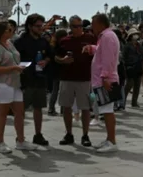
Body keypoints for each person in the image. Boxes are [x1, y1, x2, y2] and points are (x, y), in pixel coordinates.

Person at [0, 21, 37, 154]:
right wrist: (14, 67)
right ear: (2, 32)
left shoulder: (9, 44)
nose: (12, 32)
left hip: (15, 82)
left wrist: (18, 67)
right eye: (9, 30)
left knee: (19, 112)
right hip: (2, 83)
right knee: (3, 113)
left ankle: (21, 140)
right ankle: (0, 142)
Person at [54, 16, 96, 147]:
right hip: (67, 77)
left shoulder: (90, 38)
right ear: (70, 27)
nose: (78, 29)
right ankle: (69, 133)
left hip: (84, 78)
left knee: (85, 107)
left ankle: (85, 135)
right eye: (75, 26)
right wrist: (62, 60)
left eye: (80, 26)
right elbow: (56, 56)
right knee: (66, 107)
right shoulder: (64, 41)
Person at [83, 14, 120, 152]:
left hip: (105, 80)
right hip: (103, 79)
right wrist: (92, 48)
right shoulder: (106, 37)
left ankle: (112, 141)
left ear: (100, 24)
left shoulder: (107, 37)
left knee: (107, 111)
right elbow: (102, 52)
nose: (92, 26)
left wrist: (105, 77)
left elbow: (108, 58)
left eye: (93, 23)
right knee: (106, 110)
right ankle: (109, 139)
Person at [14, 14, 52, 146]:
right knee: (21, 109)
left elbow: (50, 55)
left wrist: (45, 61)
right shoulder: (21, 41)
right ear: (30, 26)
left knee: (38, 108)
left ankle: (38, 134)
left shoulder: (43, 41)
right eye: (38, 26)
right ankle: (20, 136)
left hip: (40, 78)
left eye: (42, 25)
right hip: (26, 79)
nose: (41, 28)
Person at [122, 28, 143, 108]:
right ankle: (122, 101)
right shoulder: (127, 46)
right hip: (130, 67)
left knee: (137, 85)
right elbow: (123, 57)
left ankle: (134, 102)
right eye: (134, 34)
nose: (136, 36)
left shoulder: (139, 46)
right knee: (129, 85)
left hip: (138, 67)